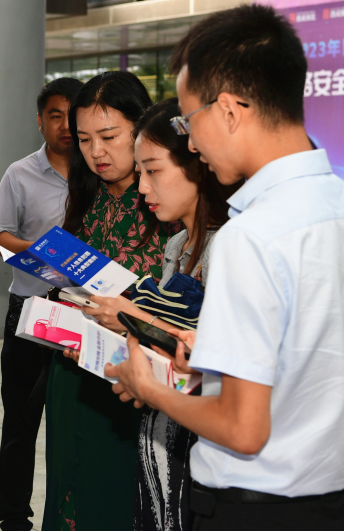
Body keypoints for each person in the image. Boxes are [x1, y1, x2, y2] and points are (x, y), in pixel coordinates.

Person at [105, 4, 344, 531]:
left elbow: (243, 429)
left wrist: (150, 389)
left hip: (250, 512)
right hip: (333, 509)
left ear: (229, 111)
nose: (190, 141)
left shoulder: (251, 235)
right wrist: (211, 366)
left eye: (188, 121)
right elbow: (310, 363)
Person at [84, 97, 241, 531]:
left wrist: (136, 317)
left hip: (202, 444)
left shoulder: (231, 247)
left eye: (153, 171)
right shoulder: (176, 246)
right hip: (160, 433)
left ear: (197, 164)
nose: (141, 188)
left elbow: (214, 355)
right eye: (140, 173)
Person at [42, 72, 181, 531]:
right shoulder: (88, 193)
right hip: (75, 368)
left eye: (109, 137)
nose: (96, 152)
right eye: (84, 140)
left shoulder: (169, 201)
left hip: (134, 379)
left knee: (119, 498)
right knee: (70, 487)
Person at [0, 76, 82, 531]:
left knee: (74, 425)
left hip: (82, 315)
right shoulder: (19, 173)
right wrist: (41, 253)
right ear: (40, 121)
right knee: (20, 426)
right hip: (29, 311)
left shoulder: (99, 171)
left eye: (72, 116)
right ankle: (13, 519)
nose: (64, 125)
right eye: (54, 115)